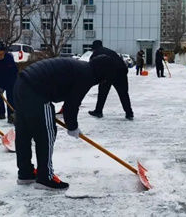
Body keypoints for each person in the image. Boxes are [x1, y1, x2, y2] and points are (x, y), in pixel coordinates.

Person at [14, 55, 116, 190]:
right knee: (46, 134)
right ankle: (46, 177)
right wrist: (72, 126)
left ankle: (25, 173)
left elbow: (69, 102)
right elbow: (71, 105)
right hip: (36, 91)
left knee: (24, 133)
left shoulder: (82, 68)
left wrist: (71, 123)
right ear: (103, 72)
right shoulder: (86, 75)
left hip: (20, 84)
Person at [87, 40, 134, 120]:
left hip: (108, 75)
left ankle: (98, 111)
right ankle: (129, 113)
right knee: (123, 94)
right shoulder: (110, 51)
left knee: (102, 93)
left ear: (94, 48)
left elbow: (93, 68)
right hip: (121, 72)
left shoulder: (96, 53)